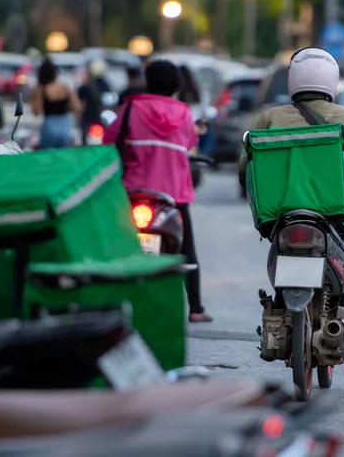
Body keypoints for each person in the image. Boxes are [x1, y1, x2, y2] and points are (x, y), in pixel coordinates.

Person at [237, 47, 344, 343]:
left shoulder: (269, 118)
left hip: (280, 220)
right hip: (333, 219)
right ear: (331, 81)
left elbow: (245, 170)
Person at [104, 60, 212, 323]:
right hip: (173, 195)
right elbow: (190, 142)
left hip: (134, 191)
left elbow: (108, 139)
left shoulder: (131, 108)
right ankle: (195, 308)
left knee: (115, 241)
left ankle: (109, 297)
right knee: (187, 247)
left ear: (147, 81)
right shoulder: (184, 113)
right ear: (176, 85)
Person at [30, 59, 82, 149]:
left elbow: (36, 112)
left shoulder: (41, 89)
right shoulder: (65, 87)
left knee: (48, 156)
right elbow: (77, 107)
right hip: (65, 124)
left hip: (49, 124)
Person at [78, 58, 112, 145]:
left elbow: (80, 104)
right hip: (101, 119)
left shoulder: (85, 86)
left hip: (89, 120)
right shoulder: (106, 85)